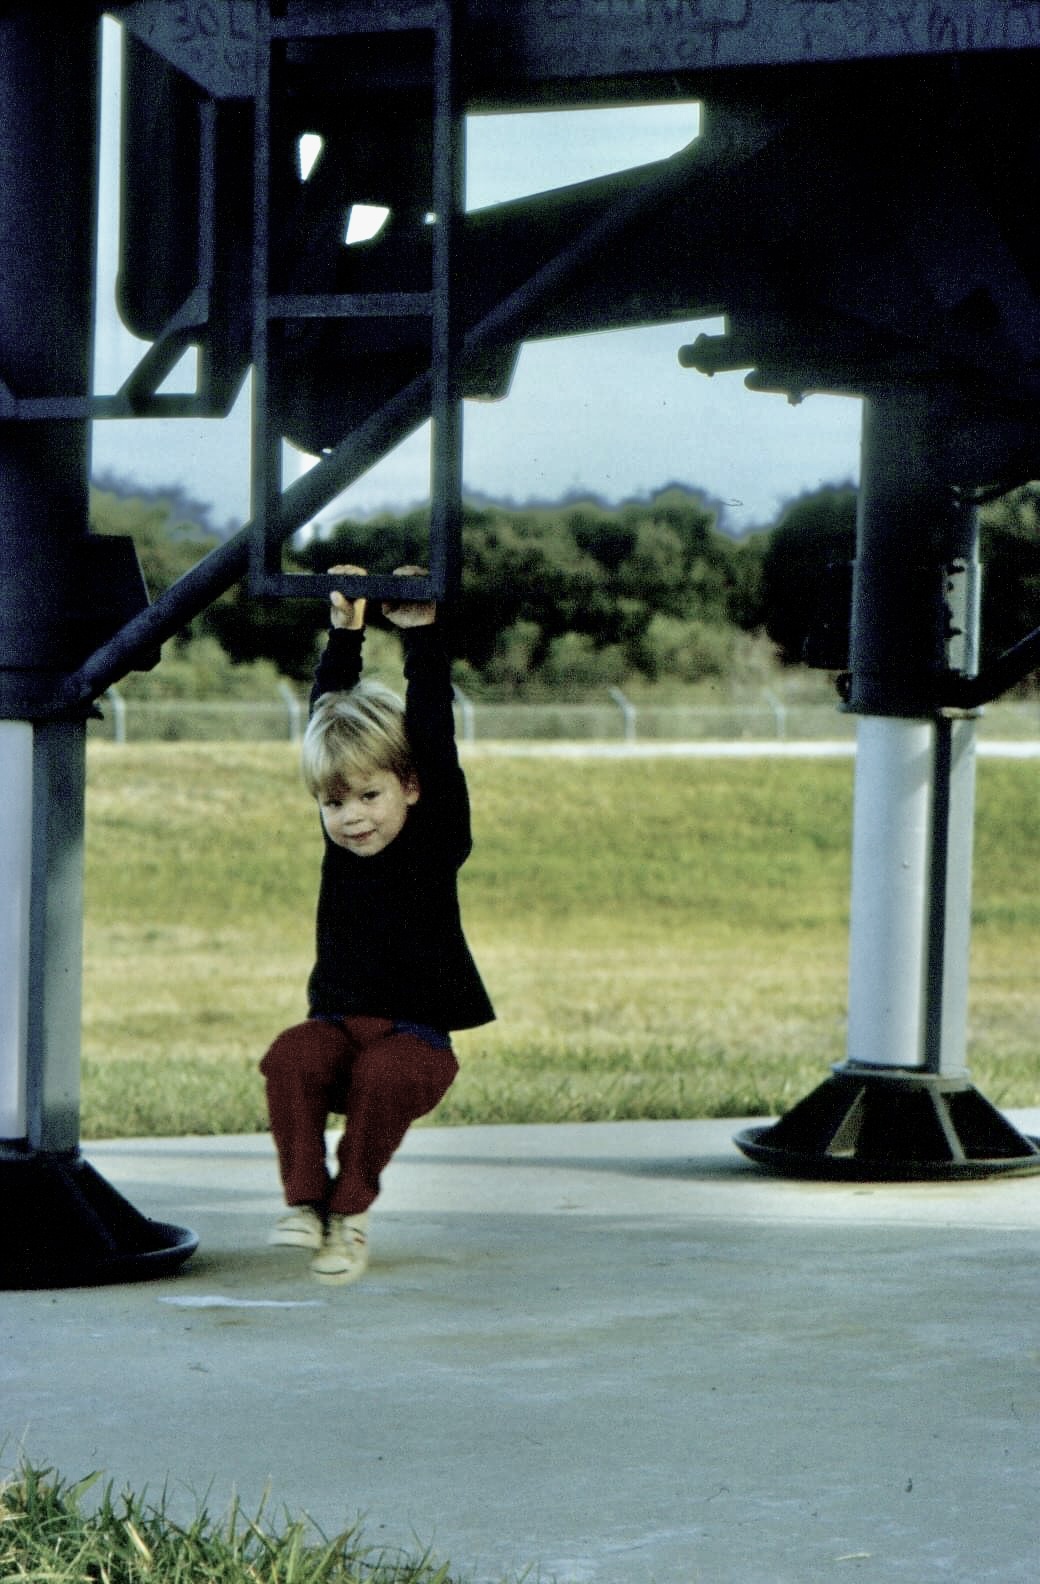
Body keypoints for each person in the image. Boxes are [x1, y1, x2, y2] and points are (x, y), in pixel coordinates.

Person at [260, 564, 494, 1285]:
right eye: (334, 804)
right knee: (289, 1055)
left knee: (385, 1073)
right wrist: (345, 631)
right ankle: (307, 1202)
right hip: (338, 1029)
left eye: (368, 795)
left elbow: (431, 732)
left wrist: (420, 636)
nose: (352, 817)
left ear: (411, 788)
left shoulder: (434, 834)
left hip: (415, 1043)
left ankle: (350, 1214)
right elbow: (325, 715)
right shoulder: (341, 841)